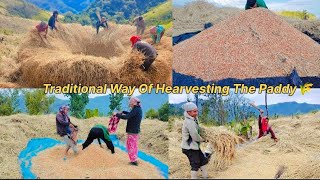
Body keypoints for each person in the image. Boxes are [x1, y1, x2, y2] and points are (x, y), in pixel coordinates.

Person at [181, 102, 209, 179]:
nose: (197, 113)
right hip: (189, 148)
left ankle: (205, 177)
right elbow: (195, 136)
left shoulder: (194, 119)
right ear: (188, 112)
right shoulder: (189, 122)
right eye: (194, 111)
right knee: (195, 164)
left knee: (203, 161)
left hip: (194, 146)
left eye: (197, 111)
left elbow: (198, 129)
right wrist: (203, 140)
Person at [115, 97, 142, 166]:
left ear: (134, 103)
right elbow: (130, 114)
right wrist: (123, 112)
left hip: (132, 131)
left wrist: (117, 115)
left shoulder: (136, 109)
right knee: (134, 145)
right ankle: (134, 159)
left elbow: (126, 117)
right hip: (135, 131)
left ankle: (133, 161)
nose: (129, 104)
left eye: (130, 103)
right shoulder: (137, 109)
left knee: (131, 145)